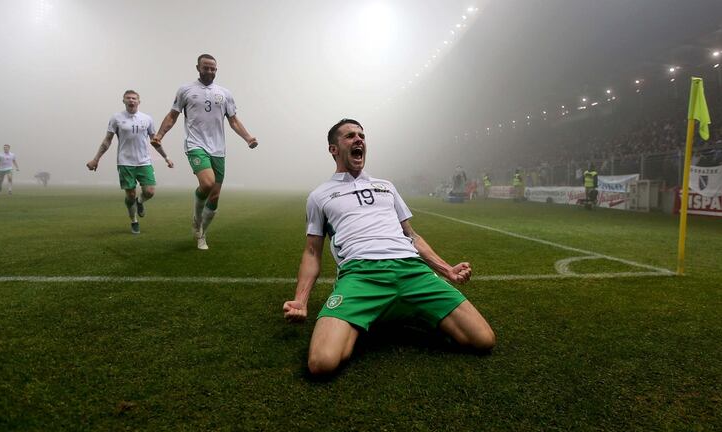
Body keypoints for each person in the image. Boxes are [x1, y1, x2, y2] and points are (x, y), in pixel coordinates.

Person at [283, 119, 495, 376]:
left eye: (361, 135)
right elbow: (312, 252)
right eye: (350, 136)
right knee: (322, 363)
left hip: (412, 270)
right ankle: (384, 312)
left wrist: (446, 269)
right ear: (333, 149)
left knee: (483, 340)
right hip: (361, 275)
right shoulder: (320, 195)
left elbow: (412, 236)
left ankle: (396, 309)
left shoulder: (387, 186)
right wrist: (301, 300)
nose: (358, 139)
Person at [151, 54, 259, 250]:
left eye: (213, 69)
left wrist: (248, 138)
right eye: (206, 68)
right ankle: (196, 217)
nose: (210, 71)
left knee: (215, 197)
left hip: (218, 149)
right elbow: (172, 115)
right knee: (207, 183)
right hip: (195, 145)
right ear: (198, 68)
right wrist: (159, 135)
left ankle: (202, 234)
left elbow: (233, 120)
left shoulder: (224, 93)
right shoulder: (186, 90)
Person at [87, 90, 174, 235]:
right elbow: (107, 140)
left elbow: (155, 141)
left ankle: (140, 202)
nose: (131, 100)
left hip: (144, 161)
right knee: (130, 195)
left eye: (134, 98)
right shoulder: (116, 118)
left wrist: (166, 157)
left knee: (150, 191)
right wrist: (96, 159)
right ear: (123, 101)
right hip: (125, 162)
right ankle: (134, 221)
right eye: (128, 98)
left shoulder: (147, 119)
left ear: (139, 101)